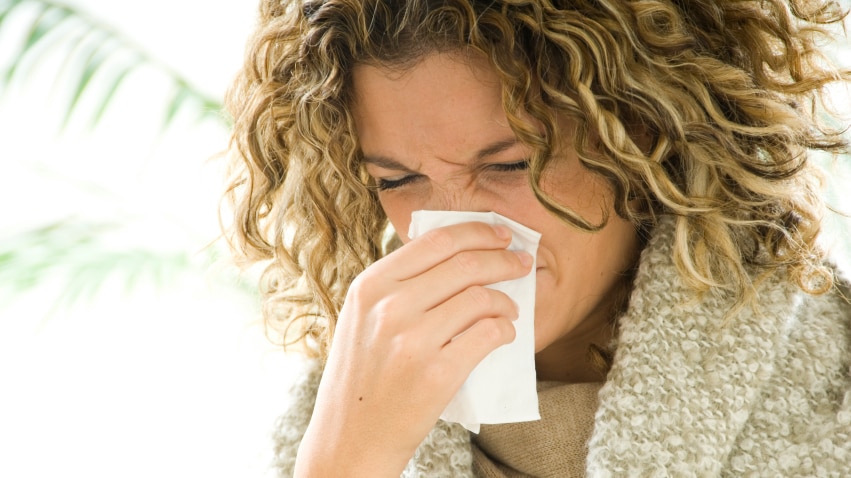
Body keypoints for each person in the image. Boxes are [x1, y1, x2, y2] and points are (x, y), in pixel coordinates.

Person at [223, 0, 851, 476]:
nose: (457, 221)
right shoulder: (335, 417)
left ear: (640, 137)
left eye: (508, 166)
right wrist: (348, 457)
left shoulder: (835, 392)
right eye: (399, 178)